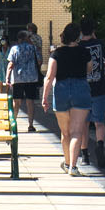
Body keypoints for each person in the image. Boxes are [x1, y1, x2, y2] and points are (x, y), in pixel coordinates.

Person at [41, 23, 92, 176]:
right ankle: (73, 168)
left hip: (61, 90)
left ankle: (67, 162)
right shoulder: (84, 52)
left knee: (65, 132)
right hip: (81, 89)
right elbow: (89, 69)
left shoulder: (56, 54)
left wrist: (45, 98)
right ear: (78, 37)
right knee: (77, 132)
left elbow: (49, 77)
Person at [78, 17, 105, 169]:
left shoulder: (77, 46)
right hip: (100, 87)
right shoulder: (101, 44)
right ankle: (100, 145)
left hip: (83, 89)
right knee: (99, 122)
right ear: (93, 30)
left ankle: (84, 154)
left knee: (84, 122)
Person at [6, 29, 41, 134]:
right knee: (30, 101)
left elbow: (10, 64)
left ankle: (13, 123)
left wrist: (7, 78)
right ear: (26, 38)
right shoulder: (33, 48)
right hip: (31, 78)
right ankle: (30, 125)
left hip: (18, 78)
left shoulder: (14, 49)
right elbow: (39, 61)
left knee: (16, 101)